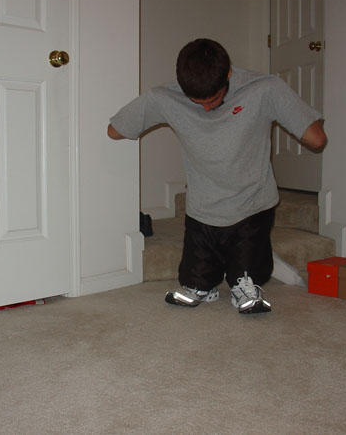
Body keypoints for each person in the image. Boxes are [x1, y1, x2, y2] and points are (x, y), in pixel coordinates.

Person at [107, 38, 327, 314]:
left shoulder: (265, 89)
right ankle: (202, 287)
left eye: (213, 100)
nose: (208, 110)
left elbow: (317, 140)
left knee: (245, 274)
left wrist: (289, 110)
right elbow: (114, 130)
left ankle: (245, 286)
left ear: (229, 74)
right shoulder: (165, 97)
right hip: (202, 208)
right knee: (195, 276)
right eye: (197, 103)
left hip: (251, 206)